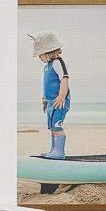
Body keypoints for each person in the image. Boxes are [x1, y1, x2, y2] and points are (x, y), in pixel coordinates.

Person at [31, 31, 74, 159]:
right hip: (51, 103)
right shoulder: (47, 66)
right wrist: (44, 98)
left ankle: (59, 152)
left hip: (59, 102)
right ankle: (54, 150)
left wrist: (61, 96)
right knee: (52, 127)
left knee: (57, 126)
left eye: (40, 54)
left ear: (48, 52)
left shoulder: (57, 62)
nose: (39, 57)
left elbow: (64, 78)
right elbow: (48, 84)